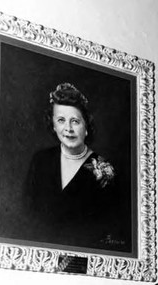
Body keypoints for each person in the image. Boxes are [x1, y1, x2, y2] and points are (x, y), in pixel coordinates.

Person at [27, 82, 125, 251]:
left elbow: (105, 229)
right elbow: (28, 213)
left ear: (87, 126)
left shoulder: (105, 171)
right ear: (53, 125)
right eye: (61, 120)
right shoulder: (40, 160)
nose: (68, 129)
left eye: (75, 121)